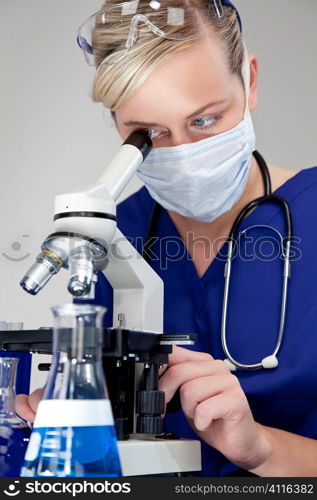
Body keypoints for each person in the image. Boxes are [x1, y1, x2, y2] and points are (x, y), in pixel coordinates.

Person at [16, 0, 317, 477]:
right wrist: (79, 418)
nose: (183, 152)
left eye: (205, 120)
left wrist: (261, 450)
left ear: (250, 81)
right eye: (149, 132)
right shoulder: (118, 236)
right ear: (117, 123)